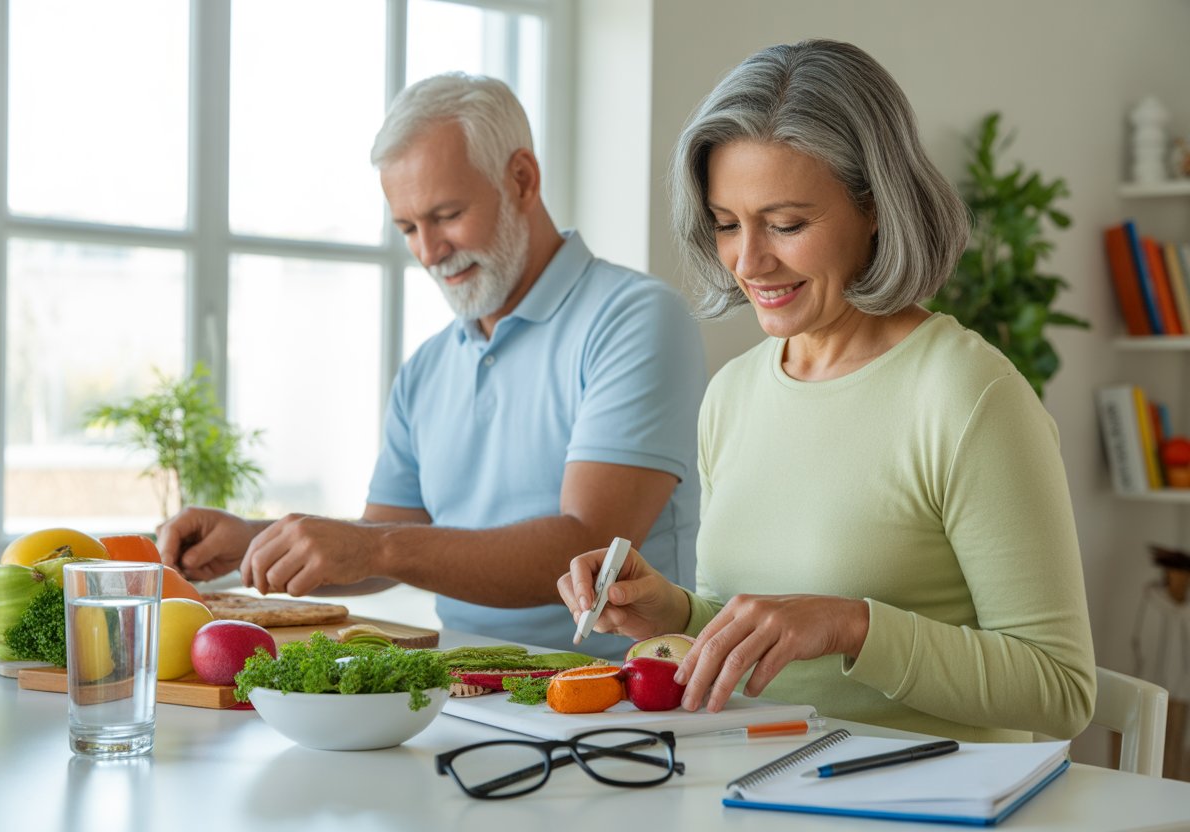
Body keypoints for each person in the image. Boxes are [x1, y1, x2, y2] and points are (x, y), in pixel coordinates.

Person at [558, 39, 1096, 741]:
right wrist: (679, 615)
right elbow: (762, 630)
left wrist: (853, 625)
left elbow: (1060, 690)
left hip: (930, 805)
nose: (748, 261)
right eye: (726, 224)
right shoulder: (735, 393)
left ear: (876, 207)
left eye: (786, 224)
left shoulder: (968, 396)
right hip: (754, 784)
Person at [158, 73, 707, 661]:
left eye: (445, 215)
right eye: (407, 228)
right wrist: (256, 540)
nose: (427, 250)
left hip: (617, 700)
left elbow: (590, 544)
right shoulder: (428, 366)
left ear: (522, 179)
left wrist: (377, 549)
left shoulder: (636, 319)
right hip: (463, 686)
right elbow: (379, 540)